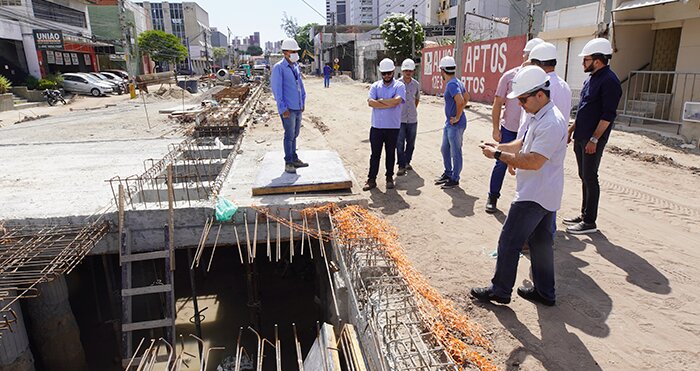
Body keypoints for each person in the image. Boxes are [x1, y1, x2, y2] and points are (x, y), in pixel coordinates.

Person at [471, 66, 568, 307]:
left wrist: (498, 156)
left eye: (523, 99)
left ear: (540, 95)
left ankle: (501, 289)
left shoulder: (551, 122)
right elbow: (523, 144)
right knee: (541, 244)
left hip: (534, 194)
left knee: (509, 241)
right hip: (545, 192)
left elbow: (534, 161)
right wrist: (500, 147)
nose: (520, 104)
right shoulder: (542, 115)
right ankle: (546, 292)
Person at [564, 38, 622, 234]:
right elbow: (584, 109)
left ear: (597, 60)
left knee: (590, 177)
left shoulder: (610, 81)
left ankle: (590, 222)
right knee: (583, 175)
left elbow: (607, 116)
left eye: (585, 60)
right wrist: (571, 130)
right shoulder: (591, 78)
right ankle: (584, 214)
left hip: (592, 139)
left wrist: (595, 139)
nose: (582, 63)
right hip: (582, 135)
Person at [485, 37, 544, 213]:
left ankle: (525, 206)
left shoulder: (543, 82)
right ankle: (493, 196)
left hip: (531, 131)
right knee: (501, 162)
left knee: (530, 169)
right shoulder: (509, 77)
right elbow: (497, 103)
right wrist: (496, 128)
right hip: (510, 129)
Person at [363, 58, 406, 191]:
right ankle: (371, 179)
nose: (387, 76)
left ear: (393, 71)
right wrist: (389, 102)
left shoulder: (399, 86)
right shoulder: (375, 86)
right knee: (375, 154)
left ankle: (389, 177)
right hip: (376, 127)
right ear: (380, 73)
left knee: (390, 154)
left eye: (389, 73)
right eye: (384, 73)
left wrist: (380, 101)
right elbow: (370, 102)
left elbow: (397, 101)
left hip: (392, 127)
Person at [270, 38, 308, 174]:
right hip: (288, 109)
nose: (295, 54)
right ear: (285, 52)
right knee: (289, 135)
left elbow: (300, 86)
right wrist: (282, 108)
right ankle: (289, 161)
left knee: (295, 134)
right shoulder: (279, 68)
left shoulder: (295, 66)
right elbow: (277, 90)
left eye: (296, 52)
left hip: (297, 107)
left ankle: (294, 158)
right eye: (293, 51)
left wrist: (302, 101)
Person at [434, 56, 469, 189]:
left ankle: (455, 178)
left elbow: (461, 101)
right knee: (445, 148)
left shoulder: (452, 84)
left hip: (455, 124)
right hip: (450, 123)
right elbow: (467, 97)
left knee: (455, 151)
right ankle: (448, 173)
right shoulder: (457, 82)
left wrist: (457, 116)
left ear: (442, 70)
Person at [396, 58, 421, 176]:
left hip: (412, 119)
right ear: (402, 71)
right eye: (406, 70)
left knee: (411, 143)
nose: (408, 73)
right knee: (399, 143)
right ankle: (401, 166)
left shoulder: (416, 84)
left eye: (410, 70)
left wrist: (413, 109)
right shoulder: (397, 84)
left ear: (413, 71)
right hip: (399, 119)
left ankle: (407, 162)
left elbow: (417, 99)